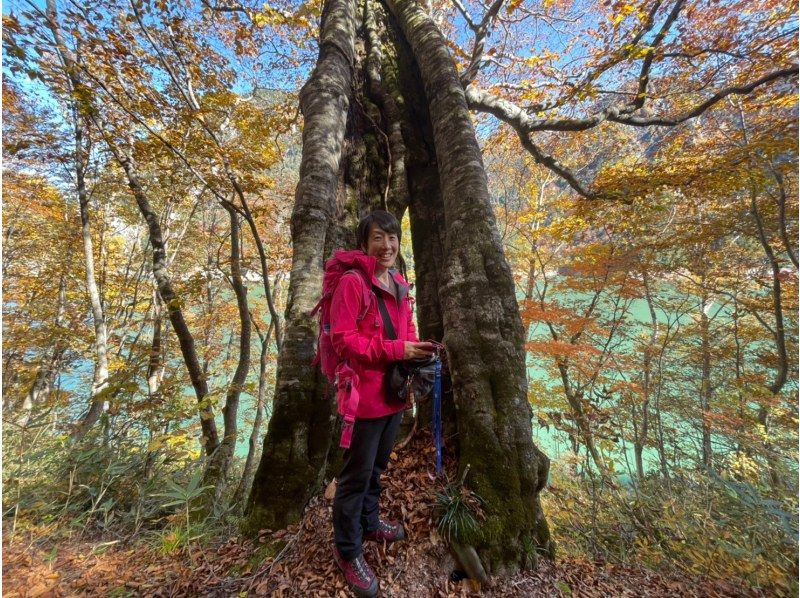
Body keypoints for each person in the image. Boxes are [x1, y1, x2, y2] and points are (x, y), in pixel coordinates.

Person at [329, 210, 434, 597]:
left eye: (392, 238)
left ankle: (370, 521)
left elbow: (406, 329)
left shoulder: (400, 285)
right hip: (363, 400)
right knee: (355, 478)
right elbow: (343, 340)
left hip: (393, 395)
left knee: (376, 469)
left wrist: (417, 349)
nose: (386, 245)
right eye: (378, 238)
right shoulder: (353, 285)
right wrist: (397, 348)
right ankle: (347, 550)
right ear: (365, 243)